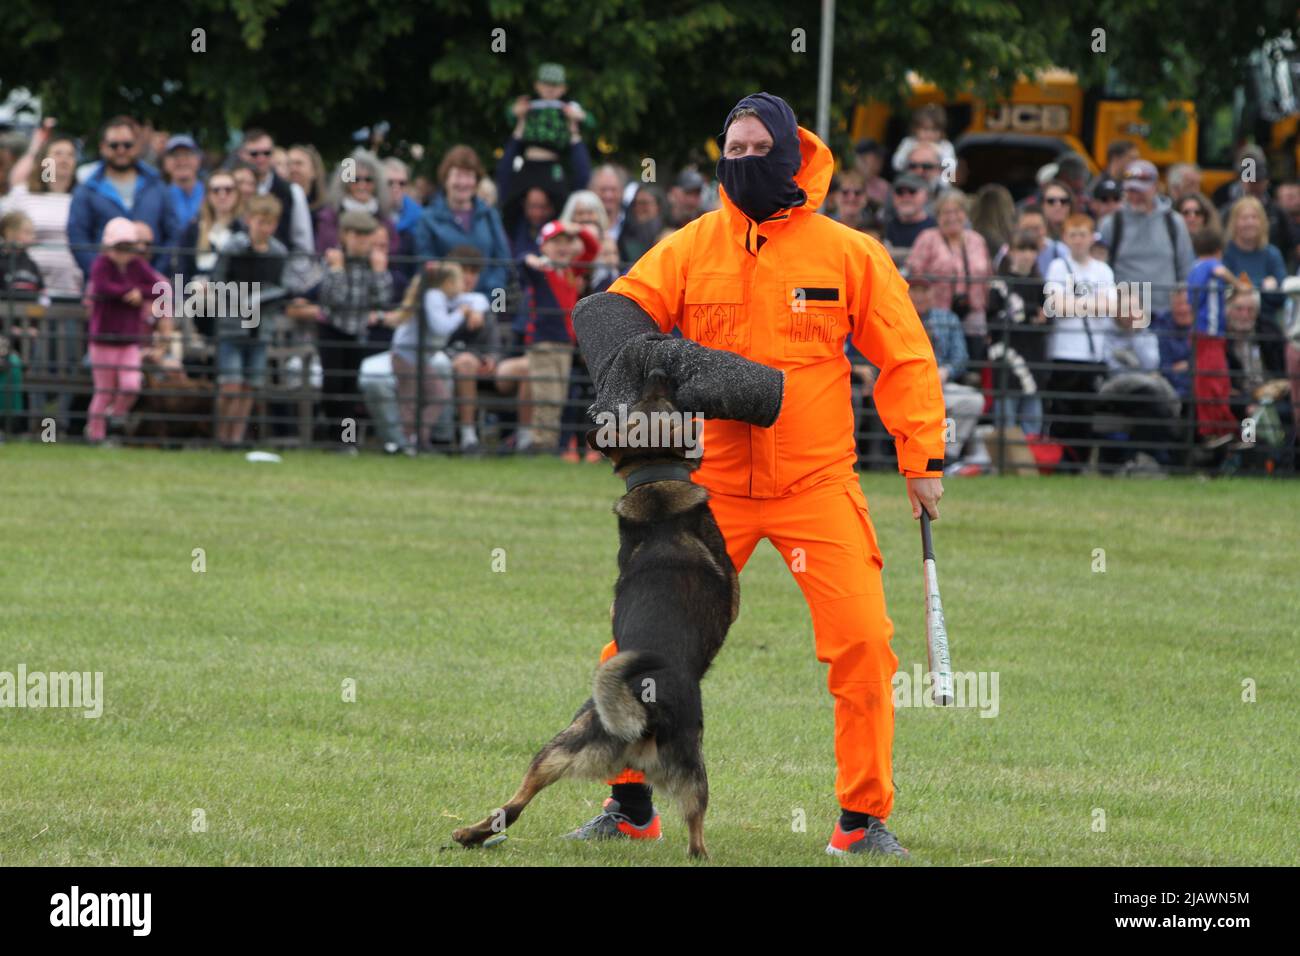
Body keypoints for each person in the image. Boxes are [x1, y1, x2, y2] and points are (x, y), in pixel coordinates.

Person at [568, 92, 946, 858]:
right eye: (729, 150)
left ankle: (862, 821)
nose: (739, 161)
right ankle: (629, 802)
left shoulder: (848, 252)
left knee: (864, 644)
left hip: (818, 486)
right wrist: (624, 379)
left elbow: (905, 354)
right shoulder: (691, 245)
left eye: (754, 149)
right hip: (715, 492)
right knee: (633, 646)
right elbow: (621, 313)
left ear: (789, 156)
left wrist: (923, 458)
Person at [498, 219, 598, 453]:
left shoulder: (571, 271)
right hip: (543, 344)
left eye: (566, 241)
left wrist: (579, 231)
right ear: (543, 247)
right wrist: (531, 259)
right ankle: (541, 444)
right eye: (556, 242)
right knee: (546, 396)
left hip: (564, 346)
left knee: (558, 396)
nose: (562, 247)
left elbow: (592, 249)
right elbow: (522, 261)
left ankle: (547, 443)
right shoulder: (543, 271)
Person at [210, 195, 287, 445]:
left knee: (249, 386)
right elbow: (217, 282)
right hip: (233, 324)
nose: (264, 228)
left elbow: (281, 288)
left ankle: (236, 437)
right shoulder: (233, 248)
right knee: (230, 385)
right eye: (259, 221)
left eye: (270, 223)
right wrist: (243, 298)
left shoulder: (278, 252)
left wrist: (262, 298)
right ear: (248, 220)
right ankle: (221, 435)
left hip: (261, 327)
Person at [1044, 213, 1117, 467]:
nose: (1077, 240)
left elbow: (1109, 306)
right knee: (1062, 411)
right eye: (1072, 235)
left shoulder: (1103, 270)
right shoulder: (1057, 267)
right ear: (1065, 238)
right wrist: (1091, 304)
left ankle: (1081, 462)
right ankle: (1061, 462)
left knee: (1087, 412)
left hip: (1092, 353)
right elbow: (1055, 305)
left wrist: (1073, 303)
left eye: (1082, 234)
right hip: (1064, 351)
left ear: (1091, 237)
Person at [67, 116, 180, 279]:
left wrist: (154, 275)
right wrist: (102, 276)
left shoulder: (157, 186)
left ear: (137, 146)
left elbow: (173, 234)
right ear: (102, 147)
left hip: (152, 288)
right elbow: (78, 238)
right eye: (114, 145)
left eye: (127, 145)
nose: (121, 150)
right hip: (104, 292)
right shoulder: (87, 190)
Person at [317, 209, 394, 445]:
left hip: (358, 331)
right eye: (355, 234)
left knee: (350, 388)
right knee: (332, 384)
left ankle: (345, 440)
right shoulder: (333, 260)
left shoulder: (374, 263)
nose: (361, 240)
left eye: (366, 234)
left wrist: (380, 272)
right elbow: (333, 299)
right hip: (333, 329)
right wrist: (338, 269)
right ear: (344, 235)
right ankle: (330, 433)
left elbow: (382, 299)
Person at [84, 218, 160, 442]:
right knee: (104, 390)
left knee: (131, 384)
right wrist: (129, 292)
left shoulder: (138, 266)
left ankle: (115, 414)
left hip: (129, 339)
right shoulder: (101, 264)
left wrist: (139, 293)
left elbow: (156, 286)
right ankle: (96, 435)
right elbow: (102, 285)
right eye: (119, 248)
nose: (123, 253)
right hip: (103, 338)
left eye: (128, 248)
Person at [413, 145, 511, 299]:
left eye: (469, 176)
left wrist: (489, 303)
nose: (463, 183)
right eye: (458, 175)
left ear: (476, 180)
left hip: (487, 303)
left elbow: (503, 263)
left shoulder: (490, 215)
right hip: (444, 304)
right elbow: (426, 264)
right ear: (446, 178)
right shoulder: (428, 218)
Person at [1, 118, 84, 296]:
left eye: (70, 154)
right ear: (44, 161)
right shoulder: (23, 194)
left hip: (70, 289)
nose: (64, 159)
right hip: (25, 287)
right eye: (58, 153)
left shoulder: (83, 198)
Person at [906, 191, 991, 351]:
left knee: (976, 361)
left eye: (957, 211)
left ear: (965, 214)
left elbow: (988, 277)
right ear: (937, 216)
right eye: (946, 212)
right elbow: (914, 276)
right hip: (938, 314)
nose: (952, 217)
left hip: (974, 312)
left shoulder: (977, 240)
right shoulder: (927, 238)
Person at [986, 228, 1049, 435]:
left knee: (1033, 424)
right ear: (1011, 252)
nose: (1027, 255)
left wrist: (1039, 320)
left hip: (1033, 362)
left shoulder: (1041, 286)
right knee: (1006, 425)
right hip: (1007, 362)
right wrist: (1029, 316)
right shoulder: (999, 284)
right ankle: (1006, 465)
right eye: (1021, 249)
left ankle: (1028, 466)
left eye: (1032, 249)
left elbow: (1048, 321)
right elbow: (992, 321)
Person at [1221, 196, 1287, 374]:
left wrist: (1242, 285)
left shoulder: (1272, 254)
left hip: (1265, 326)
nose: (1249, 223)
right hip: (1232, 327)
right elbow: (1223, 291)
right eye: (1244, 218)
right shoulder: (1226, 253)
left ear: (1262, 222)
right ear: (1235, 222)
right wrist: (1261, 286)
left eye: (1254, 217)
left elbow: (1280, 296)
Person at [1185, 227, 1239, 441]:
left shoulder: (1194, 267)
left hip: (1201, 334)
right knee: (1214, 382)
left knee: (1208, 382)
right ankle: (1226, 431)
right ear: (1219, 251)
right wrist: (1239, 286)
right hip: (1210, 334)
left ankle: (1218, 430)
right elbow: (1220, 272)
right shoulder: (1211, 265)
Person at [890, 103, 956, 177]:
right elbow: (896, 165)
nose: (929, 134)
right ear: (915, 129)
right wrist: (912, 151)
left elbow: (951, 170)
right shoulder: (908, 143)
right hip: (911, 182)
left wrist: (936, 150)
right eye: (925, 129)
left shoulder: (945, 146)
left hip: (935, 184)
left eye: (934, 130)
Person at [162, 134, 204, 230]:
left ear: (198, 160)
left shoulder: (213, 192)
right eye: (175, 155)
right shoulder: (158, 197)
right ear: (165, 163)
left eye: (187, 154)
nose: (181, 160)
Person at [883, 173, 935, 249]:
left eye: (912, 191)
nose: (906, 197)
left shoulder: (936, 227)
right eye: (899, 192)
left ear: (926, 195)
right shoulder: (887, 227)